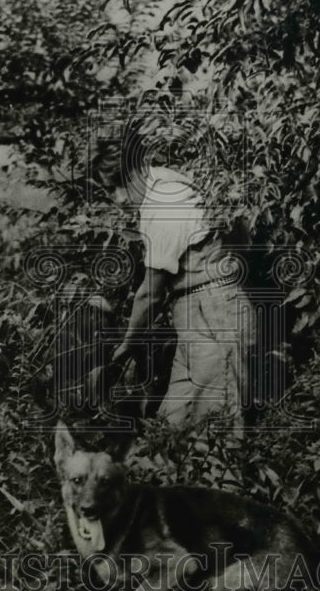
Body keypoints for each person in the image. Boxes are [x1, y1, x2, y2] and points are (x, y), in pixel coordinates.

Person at [91, 122, 255, 442]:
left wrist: (126, 346)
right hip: (204, 316)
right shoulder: (171, 182)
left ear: (135, 172)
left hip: (214, 318)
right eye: (111, 190)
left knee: (213, 442)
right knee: (170, 434)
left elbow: (150, 294)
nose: (119, 200)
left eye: (117, 187)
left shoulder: (163, 201)